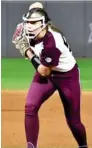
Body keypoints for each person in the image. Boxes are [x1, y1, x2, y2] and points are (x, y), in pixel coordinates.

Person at [12, 2, 88, 148]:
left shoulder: (52, 43)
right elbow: (36, 5)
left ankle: (83, 145)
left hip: (67, 76)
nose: (29, 25)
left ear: (43, 24)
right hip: (47, 73)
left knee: (73, 121)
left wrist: (27, 51)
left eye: (33, 22)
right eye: (27, 22)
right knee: (30, 107)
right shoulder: (31, 32)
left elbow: (44, 71)